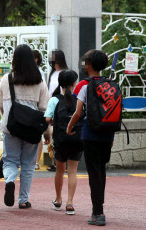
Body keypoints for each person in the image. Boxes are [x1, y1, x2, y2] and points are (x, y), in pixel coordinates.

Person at [0, 44, 50, 209]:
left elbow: (0, 105)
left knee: (10, 160)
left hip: (11, 127)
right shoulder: (39, 80)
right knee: (28, 164)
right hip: (32, 129)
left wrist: (9, 118)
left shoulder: (7, 79)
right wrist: (47, 133)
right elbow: (45, 108)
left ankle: (10, 180)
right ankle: (23, 200)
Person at [67, 50, 114, 226]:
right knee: (101, 171)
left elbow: (78, 112)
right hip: (108, 133)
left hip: (91, 133)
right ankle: (99, 207)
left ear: (88, 65)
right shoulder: (110, 84)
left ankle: (98, 213)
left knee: (93, 172)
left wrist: (69, 127)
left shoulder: (85, 86)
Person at [44, 70, 82, 215]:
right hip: (77, 139)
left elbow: (47, 119)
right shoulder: (79, 99)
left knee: (60, 170)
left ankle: (58, 199)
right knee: (72, 171)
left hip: (60, 140)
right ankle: (70, 202)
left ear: (60, 83)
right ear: (74, 84)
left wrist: (56, 122)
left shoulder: (55, 100)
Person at [32, 50, 47, 170]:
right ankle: (34, 161)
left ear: (36, 59)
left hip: (36, 107)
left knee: (38, 136)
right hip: (36, 107)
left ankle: (36, 161)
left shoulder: (39, 73)